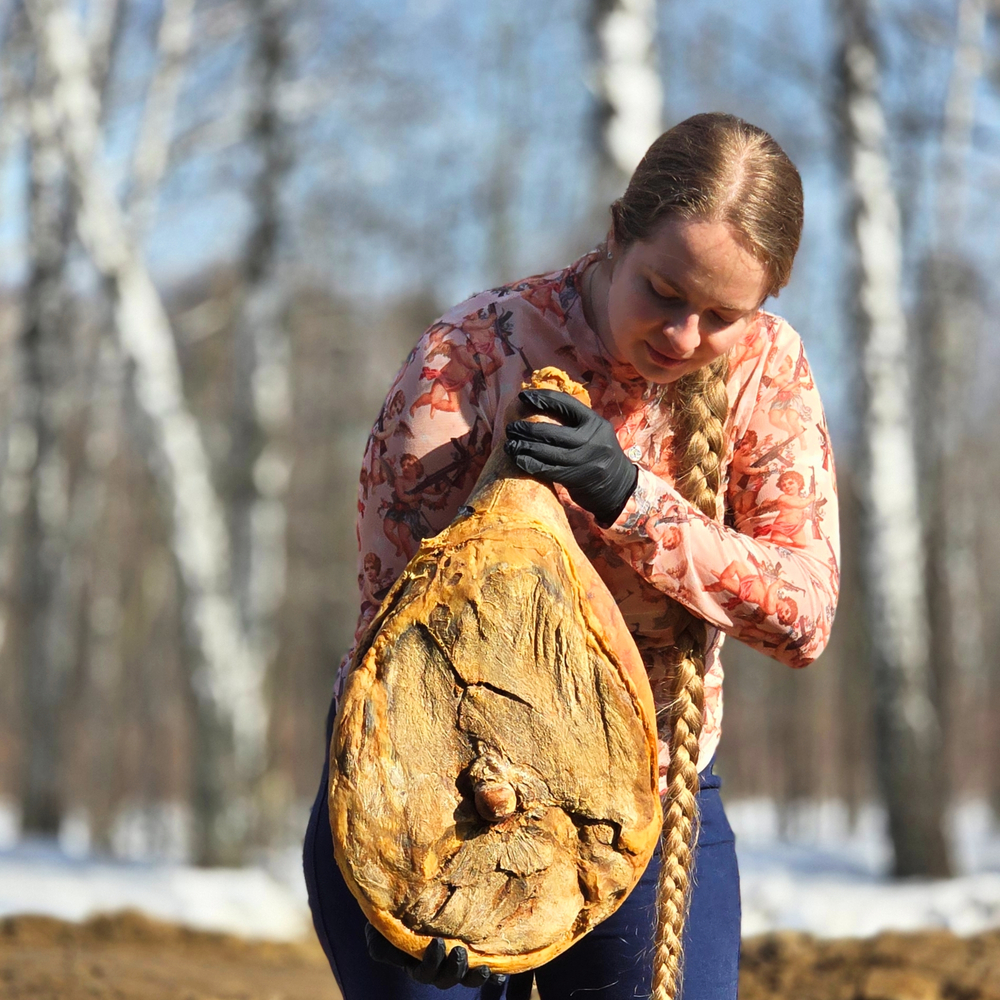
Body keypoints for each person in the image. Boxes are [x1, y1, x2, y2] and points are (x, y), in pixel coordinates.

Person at [303, 112, 840, 1000]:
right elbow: (395, 630)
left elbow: (804, 617)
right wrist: (411, 874)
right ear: (615, 234)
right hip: (429, 790)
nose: (682, 336)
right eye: (663, 292)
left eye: (722, 315)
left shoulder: (767, 371)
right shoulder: (470, 357)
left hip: (649, 796)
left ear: (766, 304)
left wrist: (631, 500)